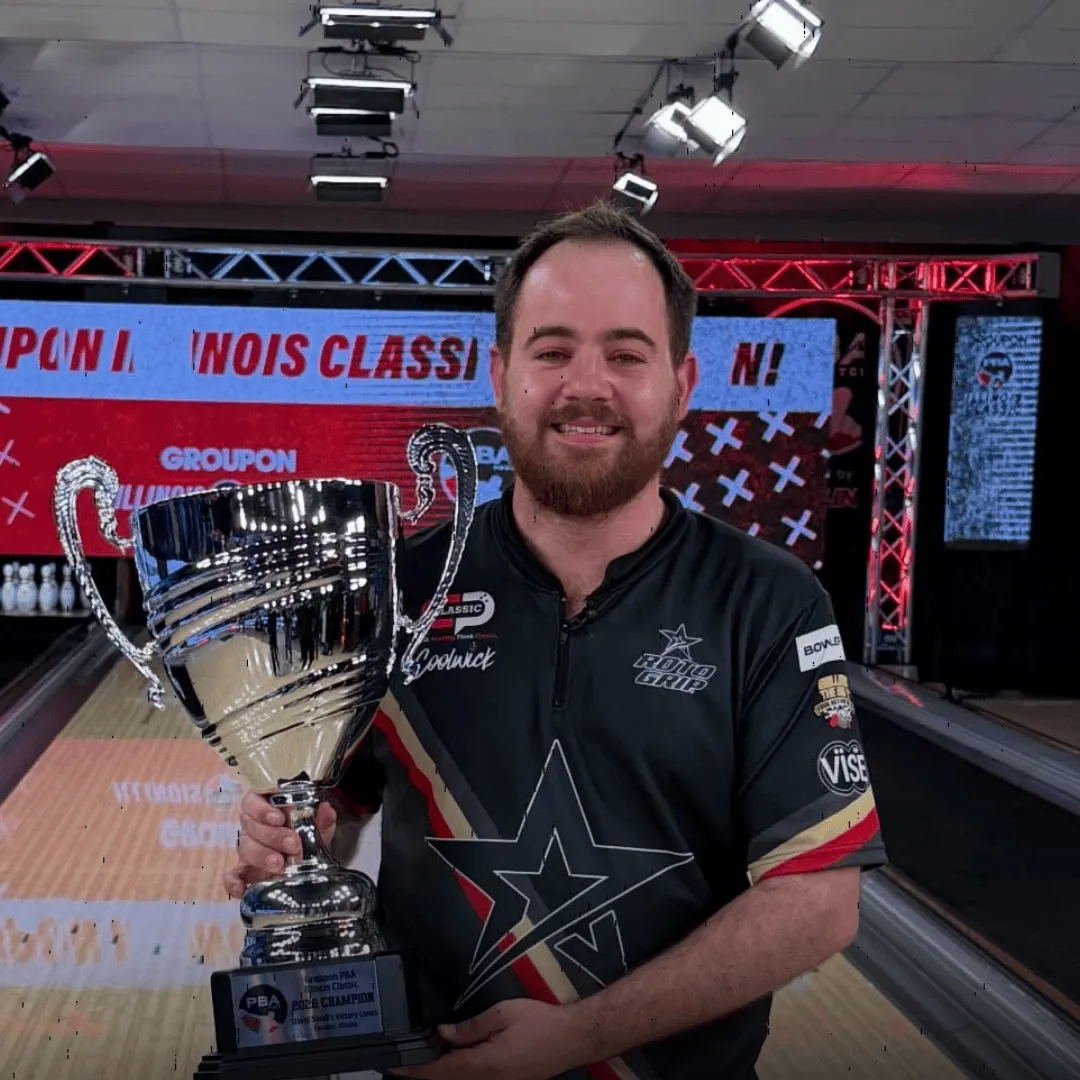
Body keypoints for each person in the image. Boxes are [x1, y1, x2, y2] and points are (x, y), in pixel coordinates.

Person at [225, 200, 887, 1080]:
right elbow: (332, 813)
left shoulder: (768, 601)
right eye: (552, 350)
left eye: (625, 354)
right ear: (500, 376)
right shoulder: (398, 588)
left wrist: (577, 1040)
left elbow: (819, 903)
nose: (587, 385)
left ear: (682, 384)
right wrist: (290, 835)